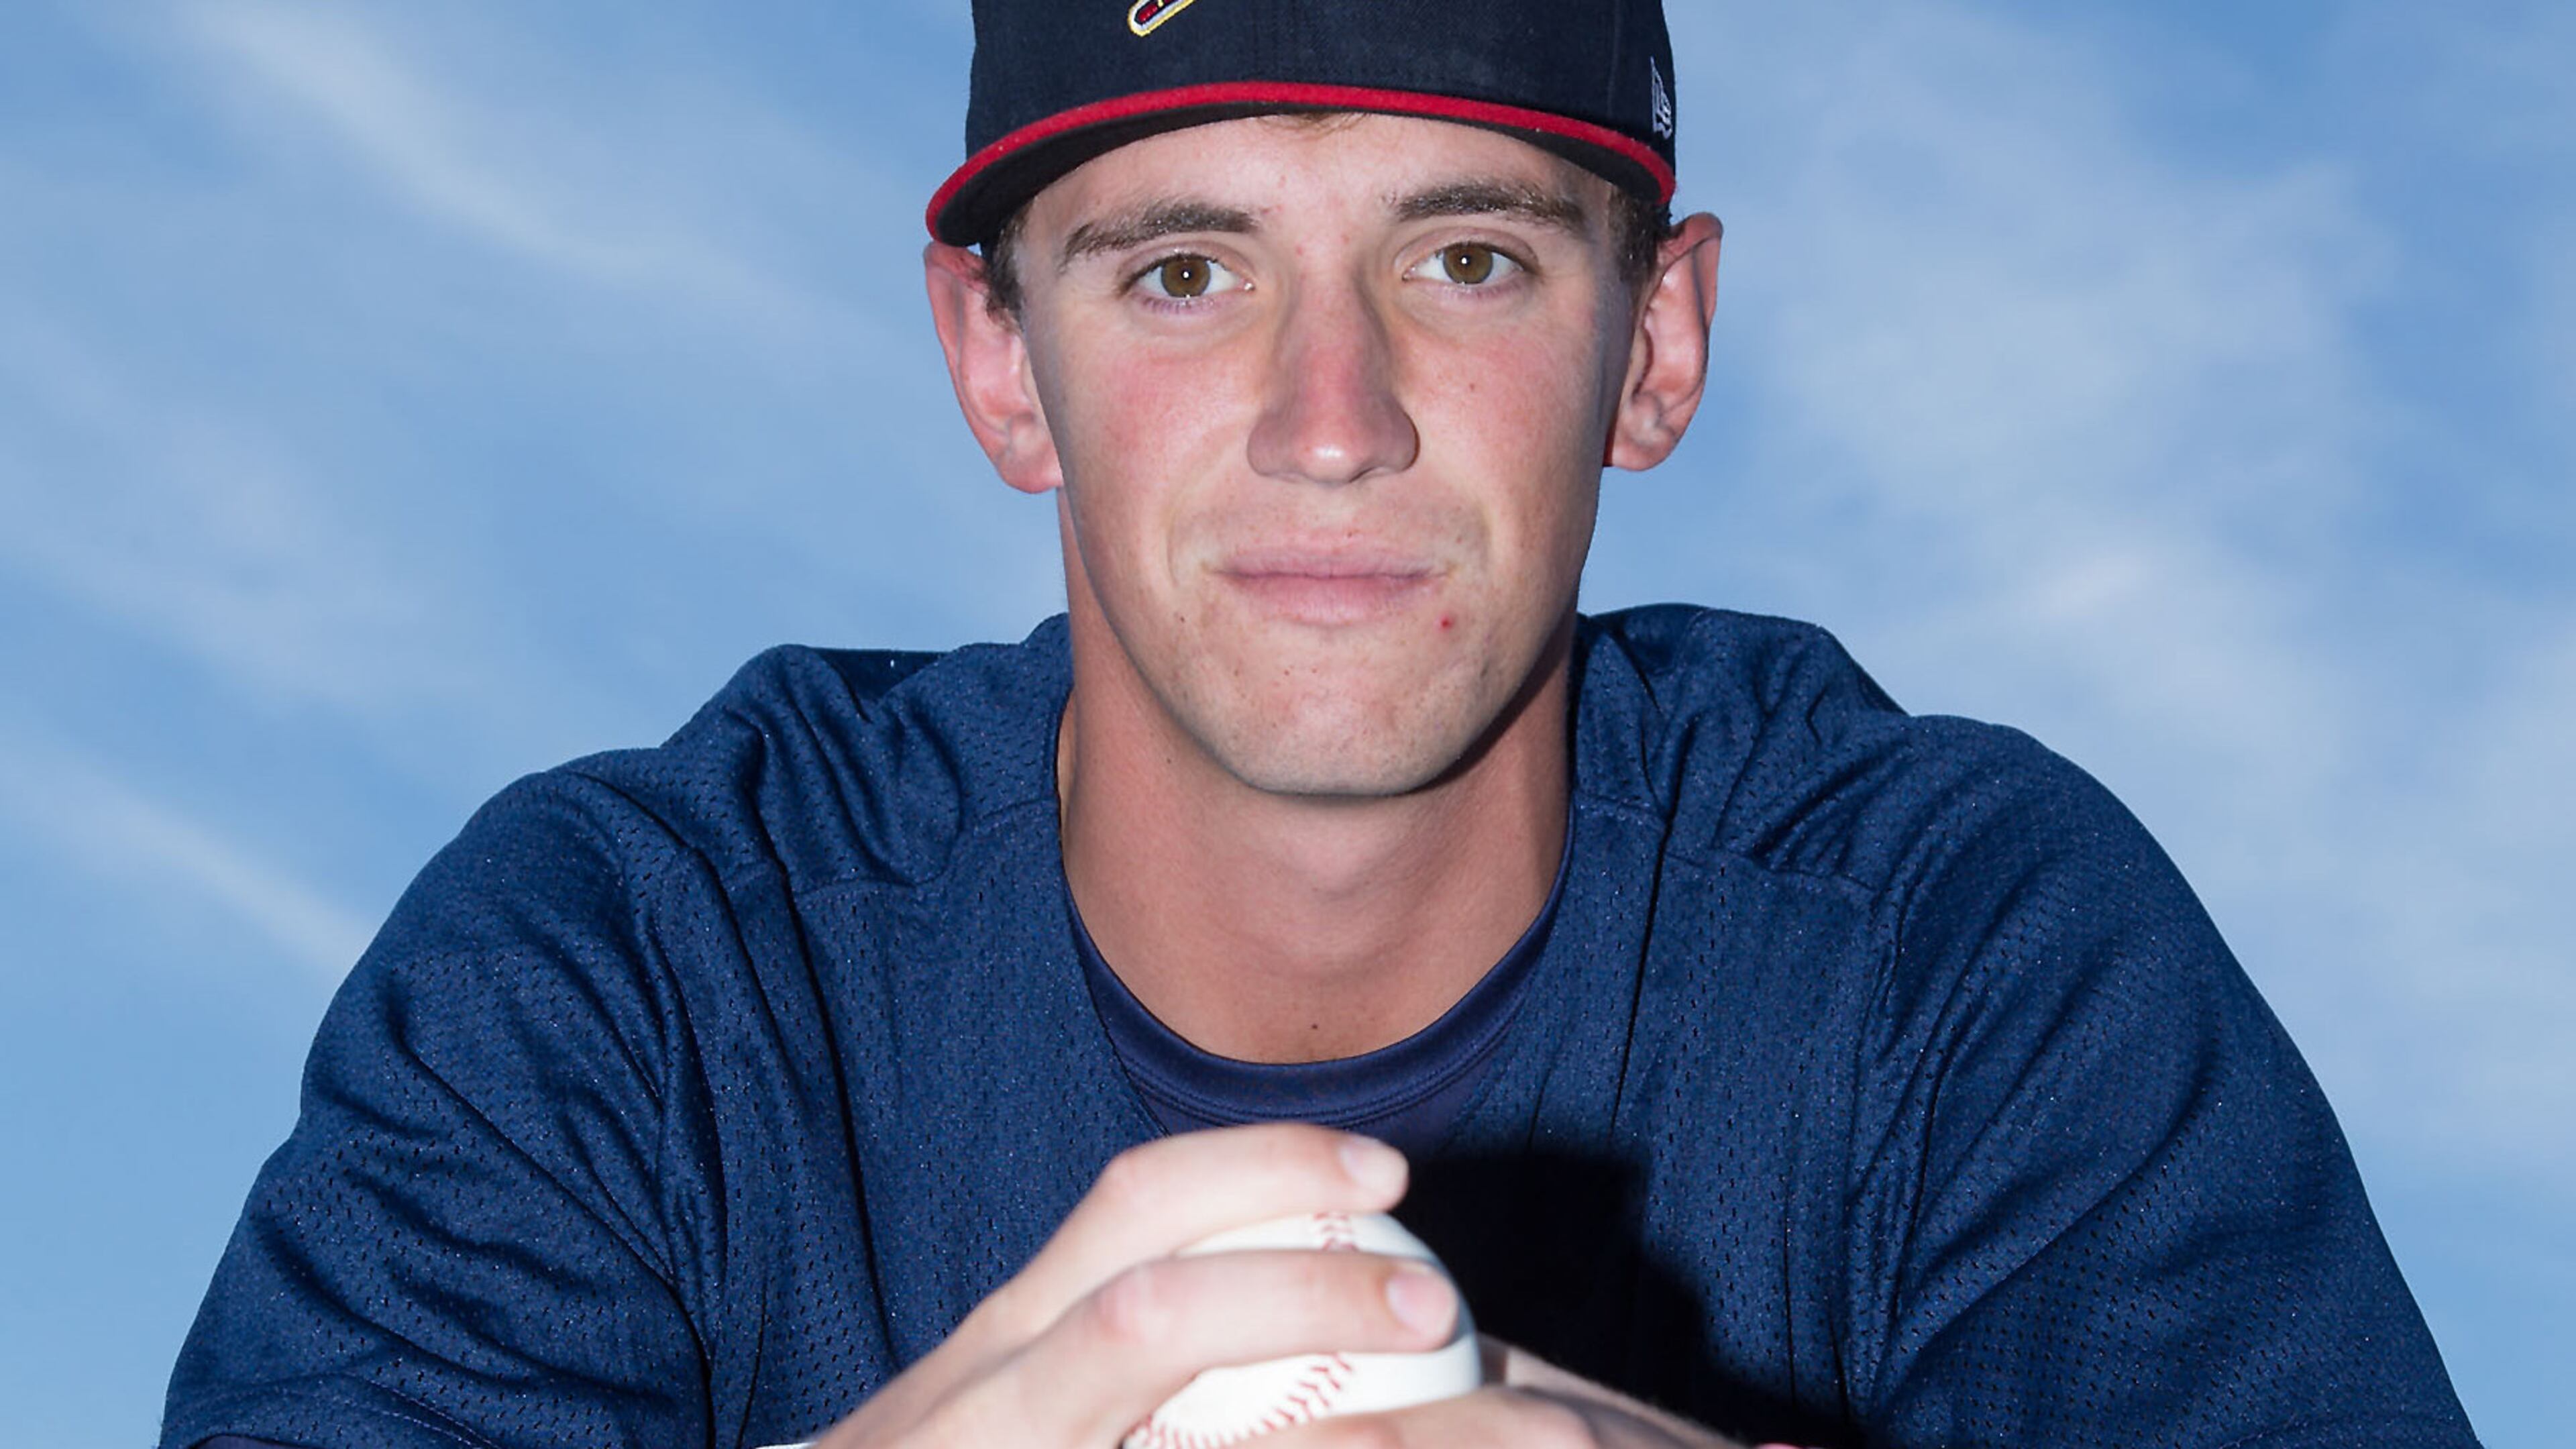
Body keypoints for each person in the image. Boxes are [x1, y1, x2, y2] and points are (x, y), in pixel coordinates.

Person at [160, 2, 2481, 1447]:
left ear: (1654, 344)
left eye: (1465, 258)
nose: (1330, 419)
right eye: (1186, 271)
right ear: (996, 358)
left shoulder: (1962, 945)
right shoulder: (630, 972)